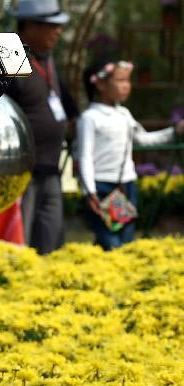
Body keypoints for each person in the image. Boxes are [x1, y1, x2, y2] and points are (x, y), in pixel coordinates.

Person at [76, 60, 184, 251]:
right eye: (120, 80)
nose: (127, 85)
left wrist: (175, 131)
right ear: (100, 84)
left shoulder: (124, 114)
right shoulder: (89, 118)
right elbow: (84, 156)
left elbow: (143, 140)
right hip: (101, 188)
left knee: (125, 240)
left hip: (125, 186)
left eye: (128, 80)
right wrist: (89, 192)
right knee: (111, 242)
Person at [7, 0, 79, 255]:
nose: (58, 31)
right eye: (51, 25)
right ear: (29, 26)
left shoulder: (47, 59)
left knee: (51, 237)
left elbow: (65, 104)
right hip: (22, 172)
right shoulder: (10, 60)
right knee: (18, 240)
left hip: (51, 167)